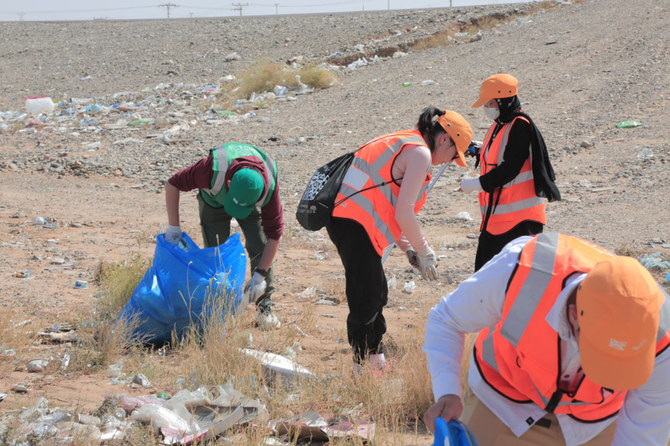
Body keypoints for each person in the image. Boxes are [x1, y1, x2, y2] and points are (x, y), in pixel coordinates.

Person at [423, 232, 670, 445]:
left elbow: (645, 428)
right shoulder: (523, 269)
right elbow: (446, 320)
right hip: (502, 399)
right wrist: (448, 392)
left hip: (594, 421)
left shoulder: (661, 332)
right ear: (573, 316)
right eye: (601, 358)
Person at [327, 107, 473, 372]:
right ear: (443, 139)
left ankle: (375, 358)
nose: (451, 161)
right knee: (366, 296)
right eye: (454, 154)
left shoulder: (407, 141)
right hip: (354, 223)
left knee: (375, 291)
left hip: (348, 220)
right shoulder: (420, 153)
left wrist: (409, 250)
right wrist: (424, 250)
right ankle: (363, 367)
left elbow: (392, 209)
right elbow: (403, 210)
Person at [165, 142, 283, 330]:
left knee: (259, 244)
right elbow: (172, 184)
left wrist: (260, 275)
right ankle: (217, 308)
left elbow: (274, 235)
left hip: (248, 202)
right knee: (215, 253)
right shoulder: (209, 170)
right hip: (213, 200)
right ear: (229, 184)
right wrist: (174, 227)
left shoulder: (268, 189)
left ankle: (264, 308)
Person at [460, 73, 560, 271]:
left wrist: (475, 184)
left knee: (510, 277)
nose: (486, 108)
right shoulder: (501, 125)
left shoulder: (519, 125)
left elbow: (510, 168)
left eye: (489, 104)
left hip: (519, 221)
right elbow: (500, 152)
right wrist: (478, 149)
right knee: (488, 273)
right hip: (500, 218)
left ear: (502, 100)